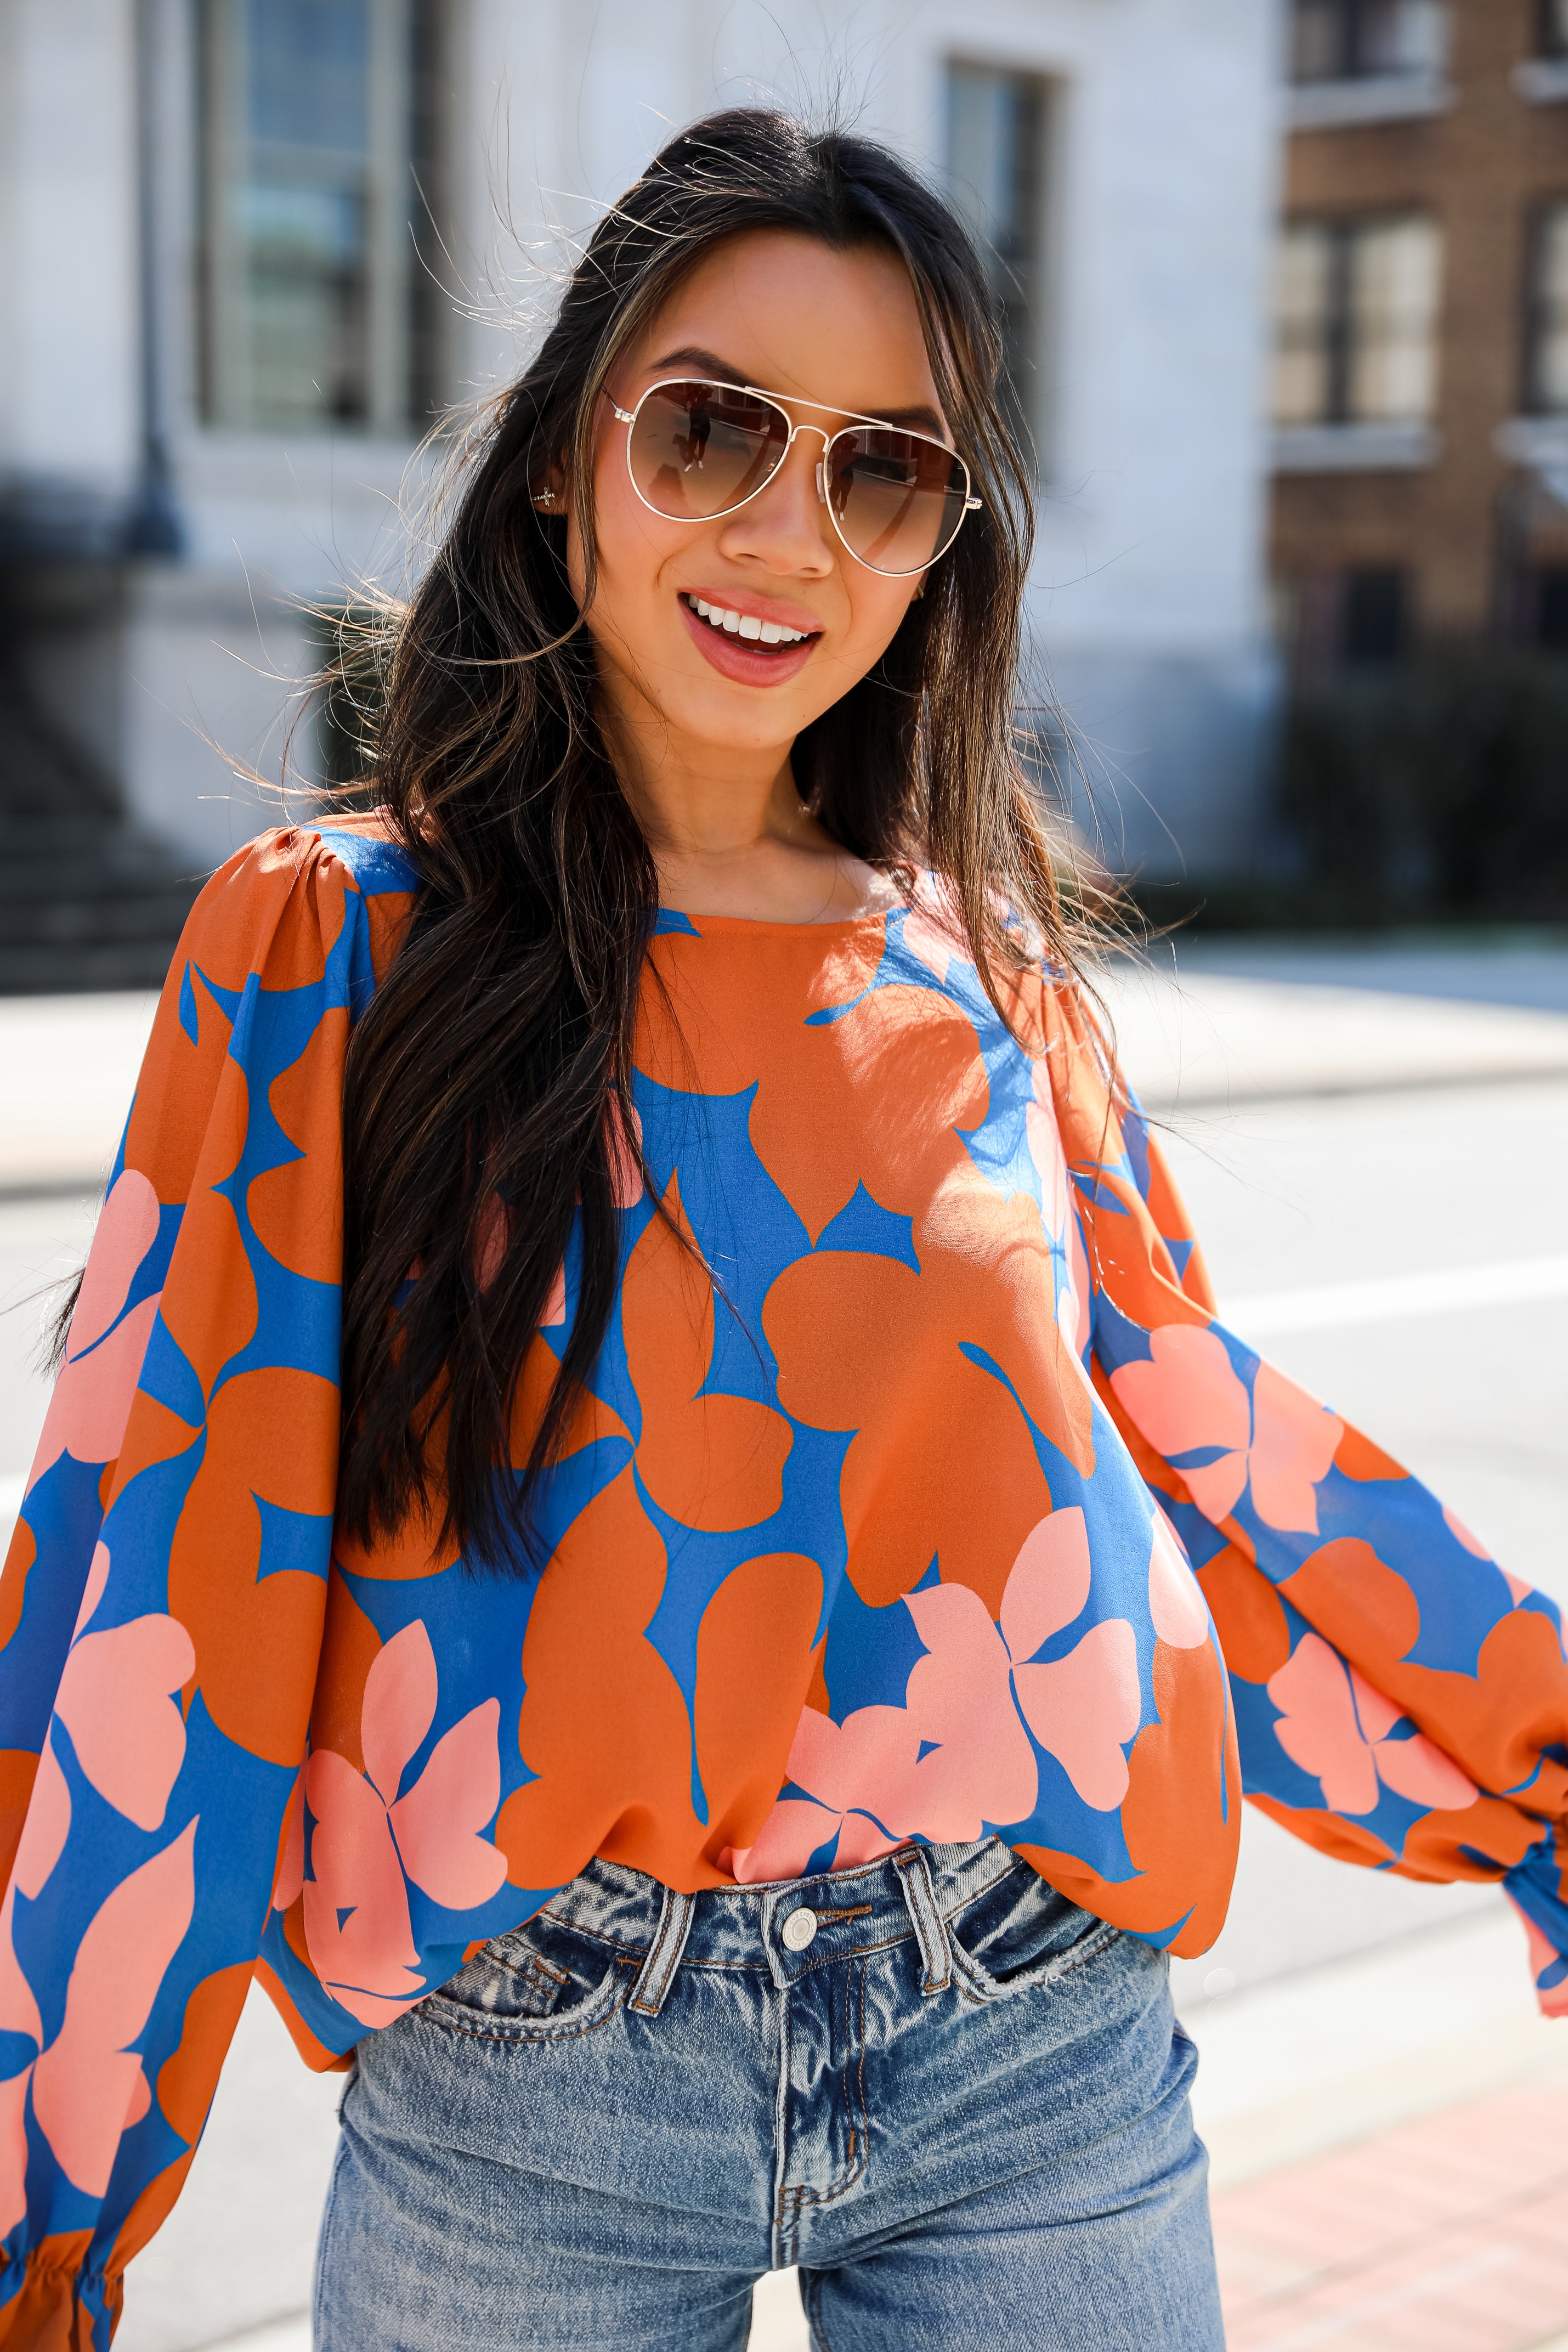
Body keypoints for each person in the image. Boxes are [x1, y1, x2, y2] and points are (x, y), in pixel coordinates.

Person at [1, 109, 1563, 2352]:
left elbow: (1201, 1453)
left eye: (884, 472)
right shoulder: (327, 945)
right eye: (711, 428)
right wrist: (47, 2197)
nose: (786, 533)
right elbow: (160, 1554)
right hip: (535, 2086)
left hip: (1024, 2035)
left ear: (939, 547)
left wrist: (1531, 1762)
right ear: (565, 465)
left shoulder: (984, 971)